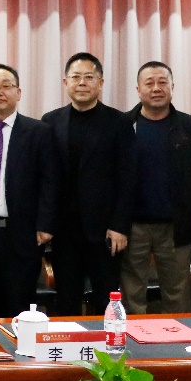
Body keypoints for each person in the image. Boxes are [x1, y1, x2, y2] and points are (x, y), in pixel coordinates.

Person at [41, 53, 135, 316]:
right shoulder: (50, 121)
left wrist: (119, 226)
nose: (82, 83)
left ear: (100, 83)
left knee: (106, 299)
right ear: (65, 82)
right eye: (75, 77)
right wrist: (45, 223)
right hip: (63, 230)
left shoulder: (119, 122)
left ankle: (106, 343)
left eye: (89, 77)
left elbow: (128, 178)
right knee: (66, 299)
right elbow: (46, 177)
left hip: (105, 232)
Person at [0, 64, 57, 318]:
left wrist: (45, 224)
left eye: (5, 86)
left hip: (23, 234)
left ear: (18, 92)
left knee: (20, 307)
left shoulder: (39, 131)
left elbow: (50, 181)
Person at [120, 61, 191, 314]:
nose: (156, 88)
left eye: (162, 82)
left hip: (176, 226)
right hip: (133, 227)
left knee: (178, 292)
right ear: (138, 89)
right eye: (149, 83)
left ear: (172, 87)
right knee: (131, 293)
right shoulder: (123, 125)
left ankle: (177, 338)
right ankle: (133, 338)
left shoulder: (188, 126)